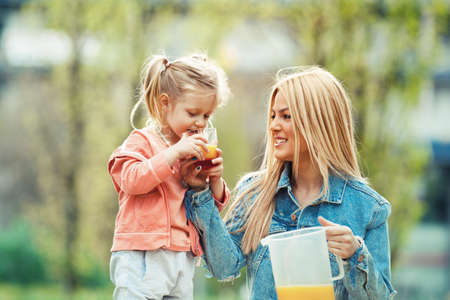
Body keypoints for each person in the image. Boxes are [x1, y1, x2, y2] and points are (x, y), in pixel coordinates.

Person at [183, 66, 397, 299]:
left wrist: (355, 254)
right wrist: (201, 191)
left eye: (286, 116)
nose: (274, 126)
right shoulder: (255, 193)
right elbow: (224, 267)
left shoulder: (368, 208)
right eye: (273, 115)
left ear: (318, 123)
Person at [107, 53, 231, 300]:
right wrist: (174, 153)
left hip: (182, 256)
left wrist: (213, 181)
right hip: (143, 252)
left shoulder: (192, 153)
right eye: (193, 113)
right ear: (165, 104)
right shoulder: (141, 142)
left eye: (206, 116)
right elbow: (131, 181)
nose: (200, 123)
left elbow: (211, 210)